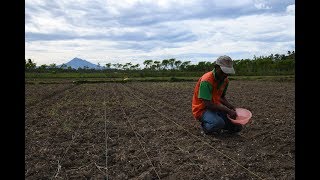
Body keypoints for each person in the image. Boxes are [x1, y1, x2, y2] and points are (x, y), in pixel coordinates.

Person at [192, 55, 242, 135]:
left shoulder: (225, 80)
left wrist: (231, 107)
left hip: (216, 108)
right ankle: (206, 127)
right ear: (216, 67)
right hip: (202, 109)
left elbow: (221, 97)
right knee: (218, 123)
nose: (225, 75)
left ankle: (218, 124)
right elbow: (208, 104)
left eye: (227, 73)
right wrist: (228, 111)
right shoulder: (206, 81)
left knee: (237, 126)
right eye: (222, 72)